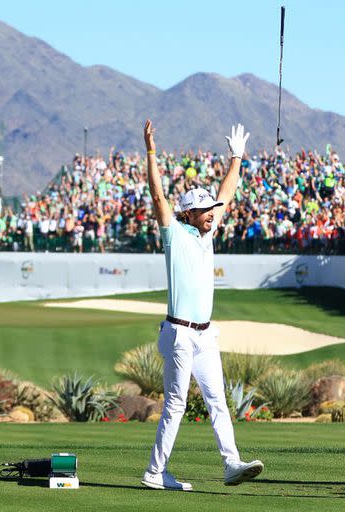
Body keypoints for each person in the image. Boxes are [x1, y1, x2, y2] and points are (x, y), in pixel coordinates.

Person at [140, 120, 263, 491]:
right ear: (188, 214)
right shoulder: (173, 235)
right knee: (176, 406)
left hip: (205, 334)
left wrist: (237, 158)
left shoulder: (207, 234)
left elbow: (227, 191)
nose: (212, 212)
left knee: (218, 402)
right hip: (178, 333)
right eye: (204, 210)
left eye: (211, 209)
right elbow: (158, 197)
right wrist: (150, 151)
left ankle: (231, 464)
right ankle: (155, 472)